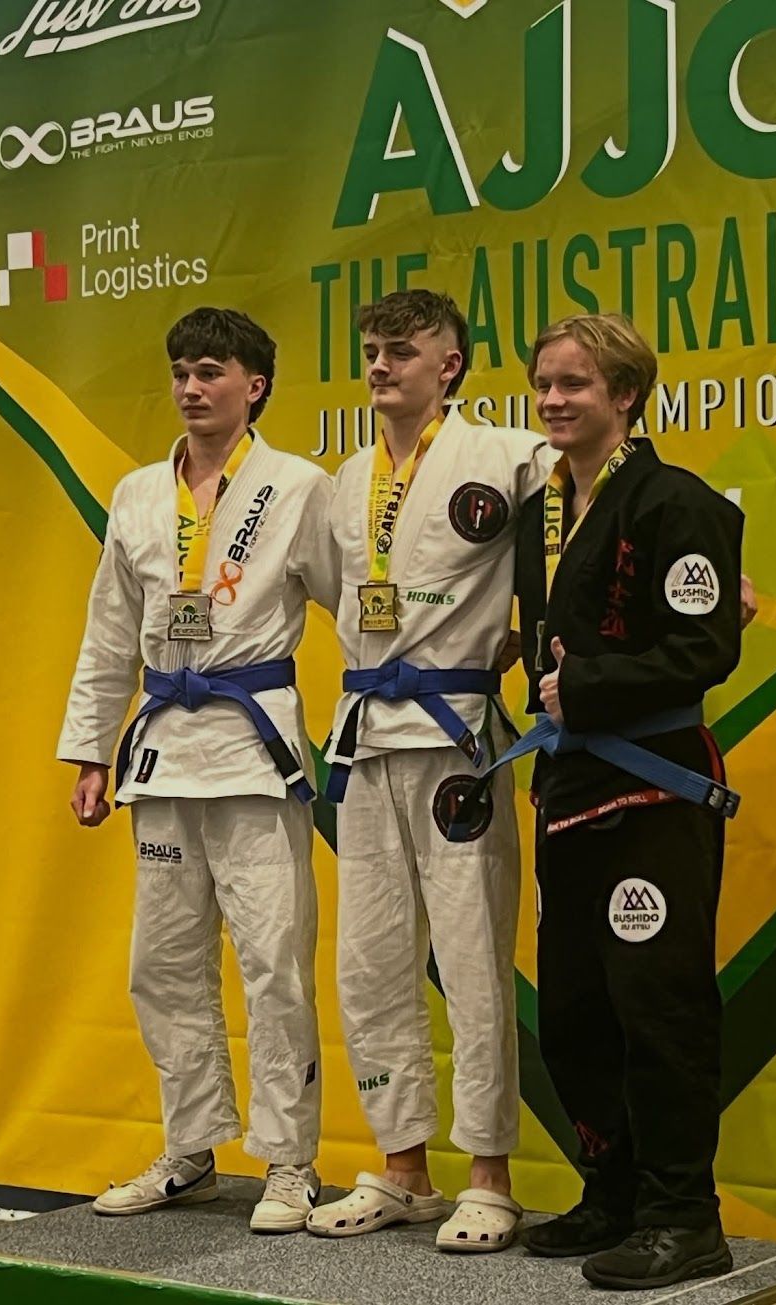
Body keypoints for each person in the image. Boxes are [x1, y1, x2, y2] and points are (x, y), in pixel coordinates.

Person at [57, 306, 339, 1233]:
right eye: (181, 370)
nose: (190, 387)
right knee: (163, 965)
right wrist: (91, 749)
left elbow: (360, 603)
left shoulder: (299, 486)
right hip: (164, 754)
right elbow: (108, 632)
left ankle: (292, 1162)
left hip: (254, 753)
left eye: (210, 370)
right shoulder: (140, 493)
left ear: (253, 384)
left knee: (275, 965)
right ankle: (190, 1148)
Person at [305, 290, 556, 1253]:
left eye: (401, 351)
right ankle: (402, 1165)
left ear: (448, 365)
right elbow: (341, 599)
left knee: (473, 956)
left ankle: (489, 1172)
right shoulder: (345, 480)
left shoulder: (506, 456)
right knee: (368, 960)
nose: (379, 366)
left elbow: (595, 508)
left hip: (458, 739)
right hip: (368, 737)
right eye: (371, 350)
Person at [511, 313, 743, 1288]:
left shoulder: (676, 504)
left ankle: (685, 1217)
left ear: (625, 397)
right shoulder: (538, 514)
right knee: (572, 1012)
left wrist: (588, 686)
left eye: (576, 384)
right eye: (544, 384)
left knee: (659, 1007)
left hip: (656, 785)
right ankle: (610, 1194)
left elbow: (705, 648)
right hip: (569, 787)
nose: (556, 400)